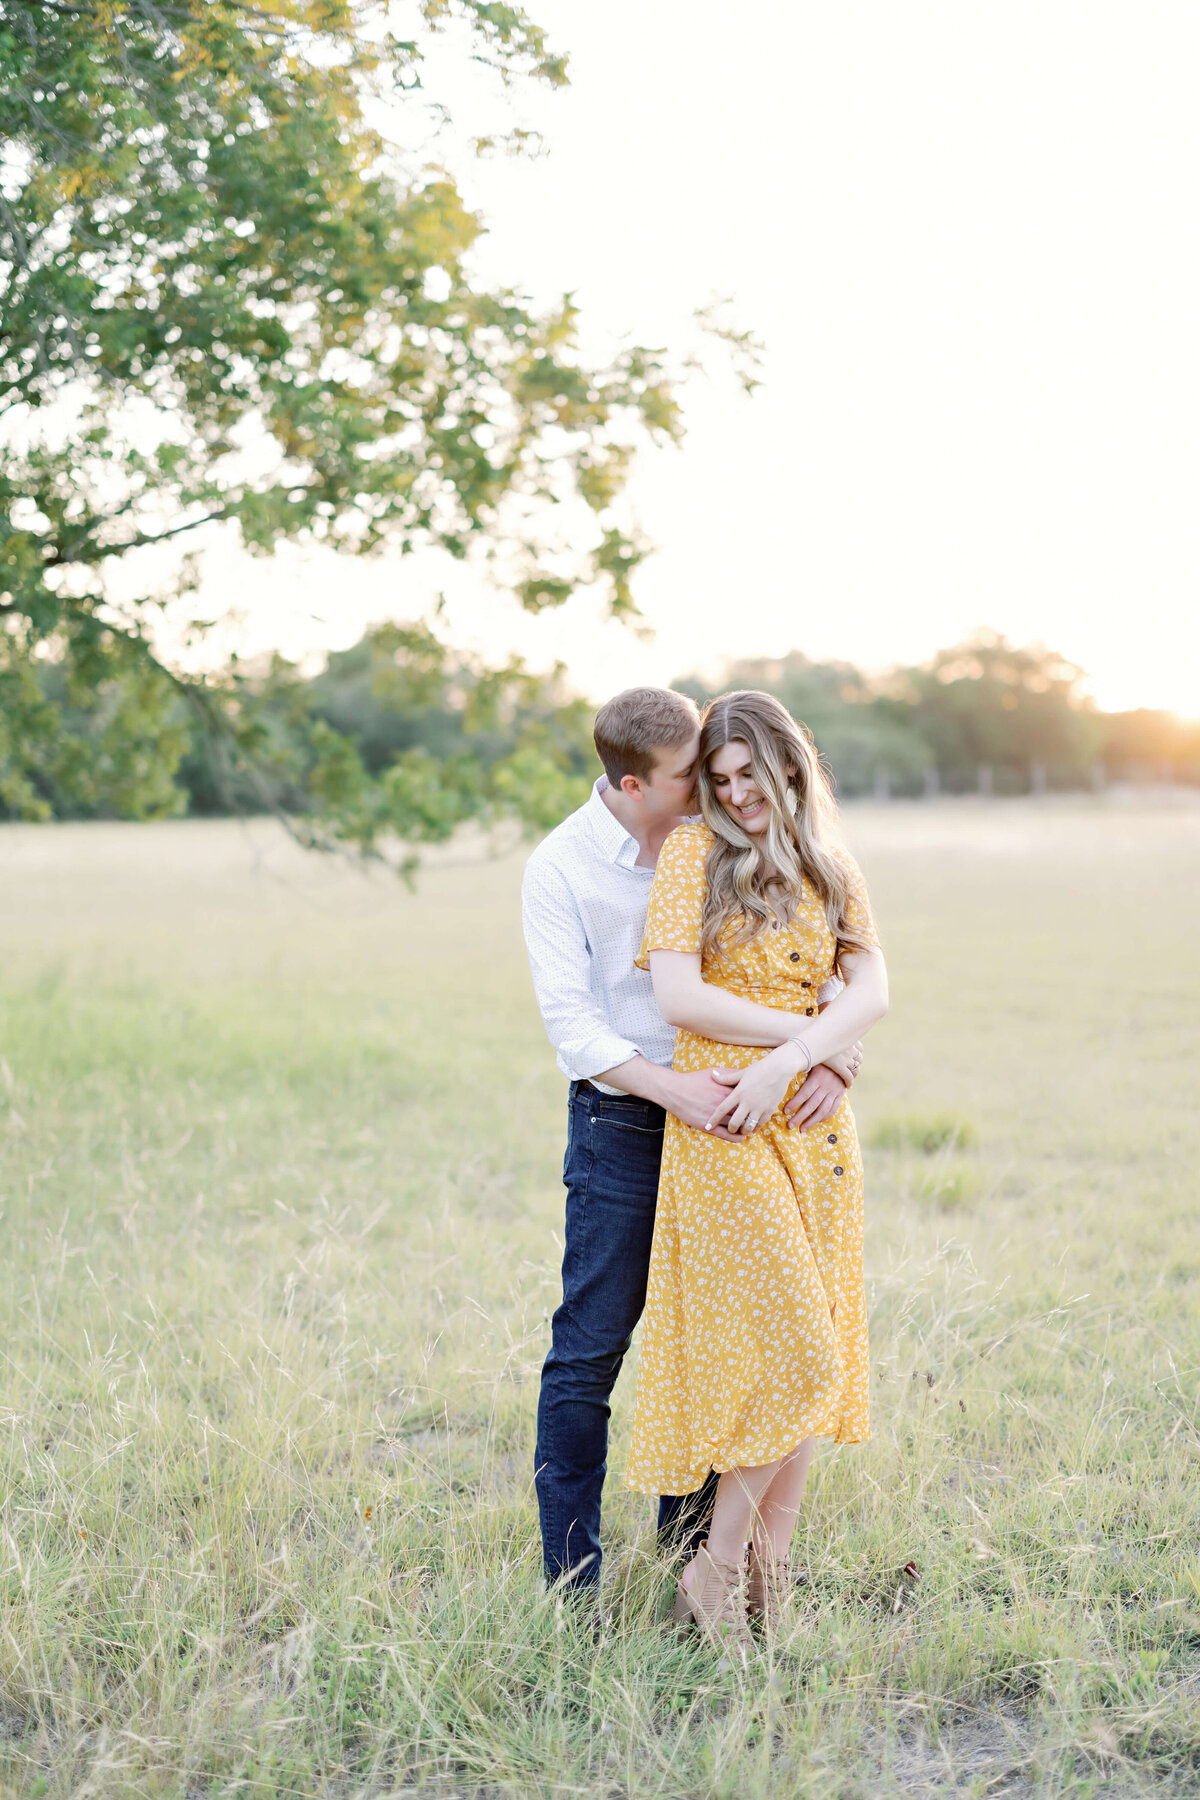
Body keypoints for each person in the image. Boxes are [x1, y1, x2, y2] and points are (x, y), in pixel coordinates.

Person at [521, 687, 863, 1596]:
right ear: (635, 784)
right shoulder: (562, 868)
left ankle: (694, 1558)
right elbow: (574, 1026)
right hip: (629, 1119)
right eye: (692, 777)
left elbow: (806, 966)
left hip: (747, 1117)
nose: (715, 790)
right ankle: (572, 1579)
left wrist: (834, 1051)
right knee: (592, 1348)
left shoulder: (721, 849)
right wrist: (673, 1088)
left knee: (726, 1337)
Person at [624, 689, 889, 1643]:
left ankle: (771, 1577)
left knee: (820, 1349)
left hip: (816, 1132)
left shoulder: (830, 863)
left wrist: (814, 1055)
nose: (735, 796)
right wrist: (806, 1042)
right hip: (728, 1119)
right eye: (720, 779)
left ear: (790, 767)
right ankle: (715, 1566)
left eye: (750, 776)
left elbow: (877, 984)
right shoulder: (697, 853)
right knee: (795, 1349)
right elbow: (679, 995)